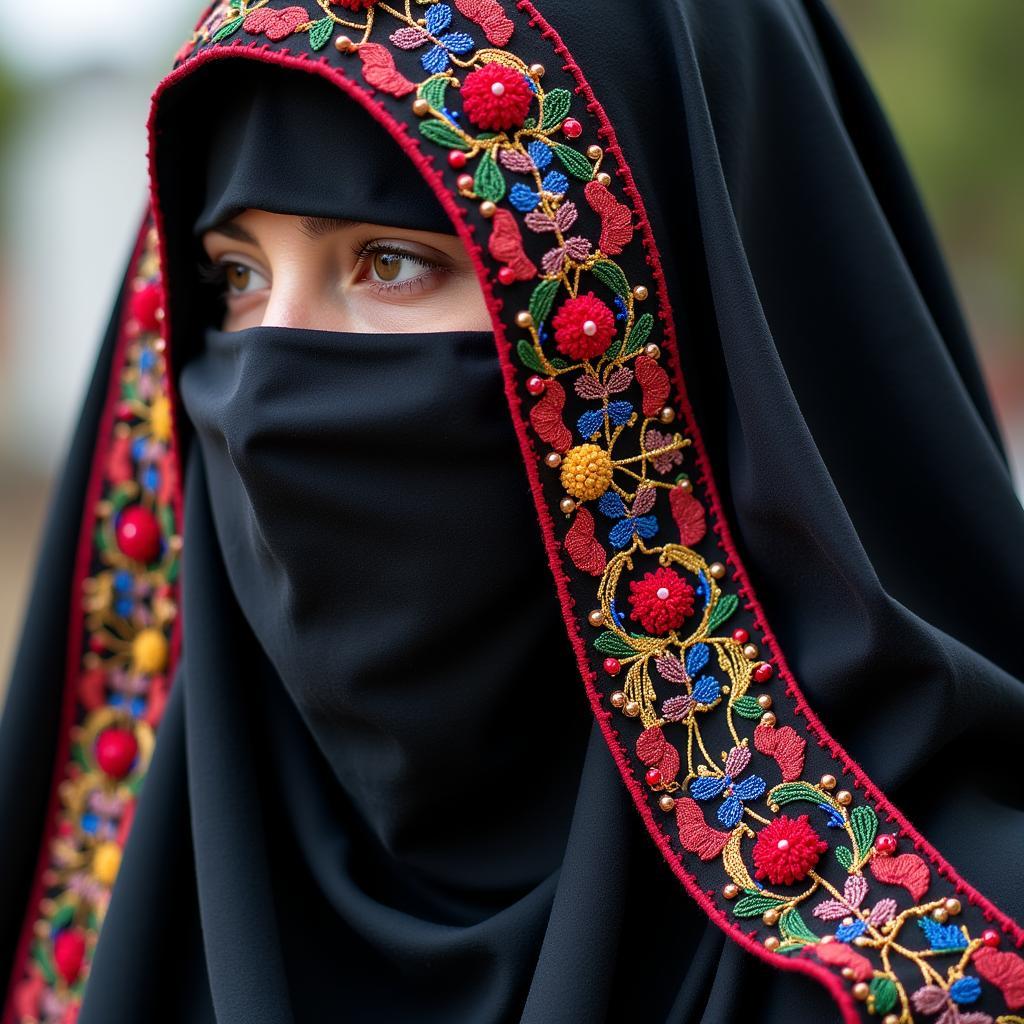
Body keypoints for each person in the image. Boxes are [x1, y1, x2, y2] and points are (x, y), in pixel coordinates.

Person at [2, 1, 1023, 1022]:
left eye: (390, 261)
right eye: (236, 275)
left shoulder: (940, 963)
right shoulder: (121, 903)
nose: (263, 394)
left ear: (684, 316)